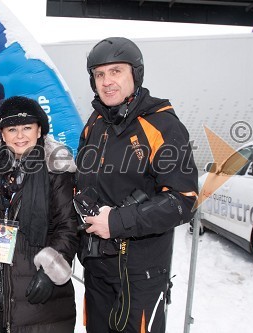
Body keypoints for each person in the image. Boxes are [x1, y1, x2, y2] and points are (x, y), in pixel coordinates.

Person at [75, 37, 198, 333]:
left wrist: (117, 222)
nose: (107, 82)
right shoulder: (95, 123)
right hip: (96, 266)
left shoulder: (162, 125)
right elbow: (83, 181)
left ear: (135, 74)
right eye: (99, 74)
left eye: (116, 71)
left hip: (139, 272)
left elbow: (183, 200)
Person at [0, 96, 79, 332]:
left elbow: (67, 226)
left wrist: (50, 270)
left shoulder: (56, 168)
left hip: (39, 292)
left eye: (27, 128)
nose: (20, 136)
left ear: (39, 130)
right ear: (2, 133)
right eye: (12, 129)